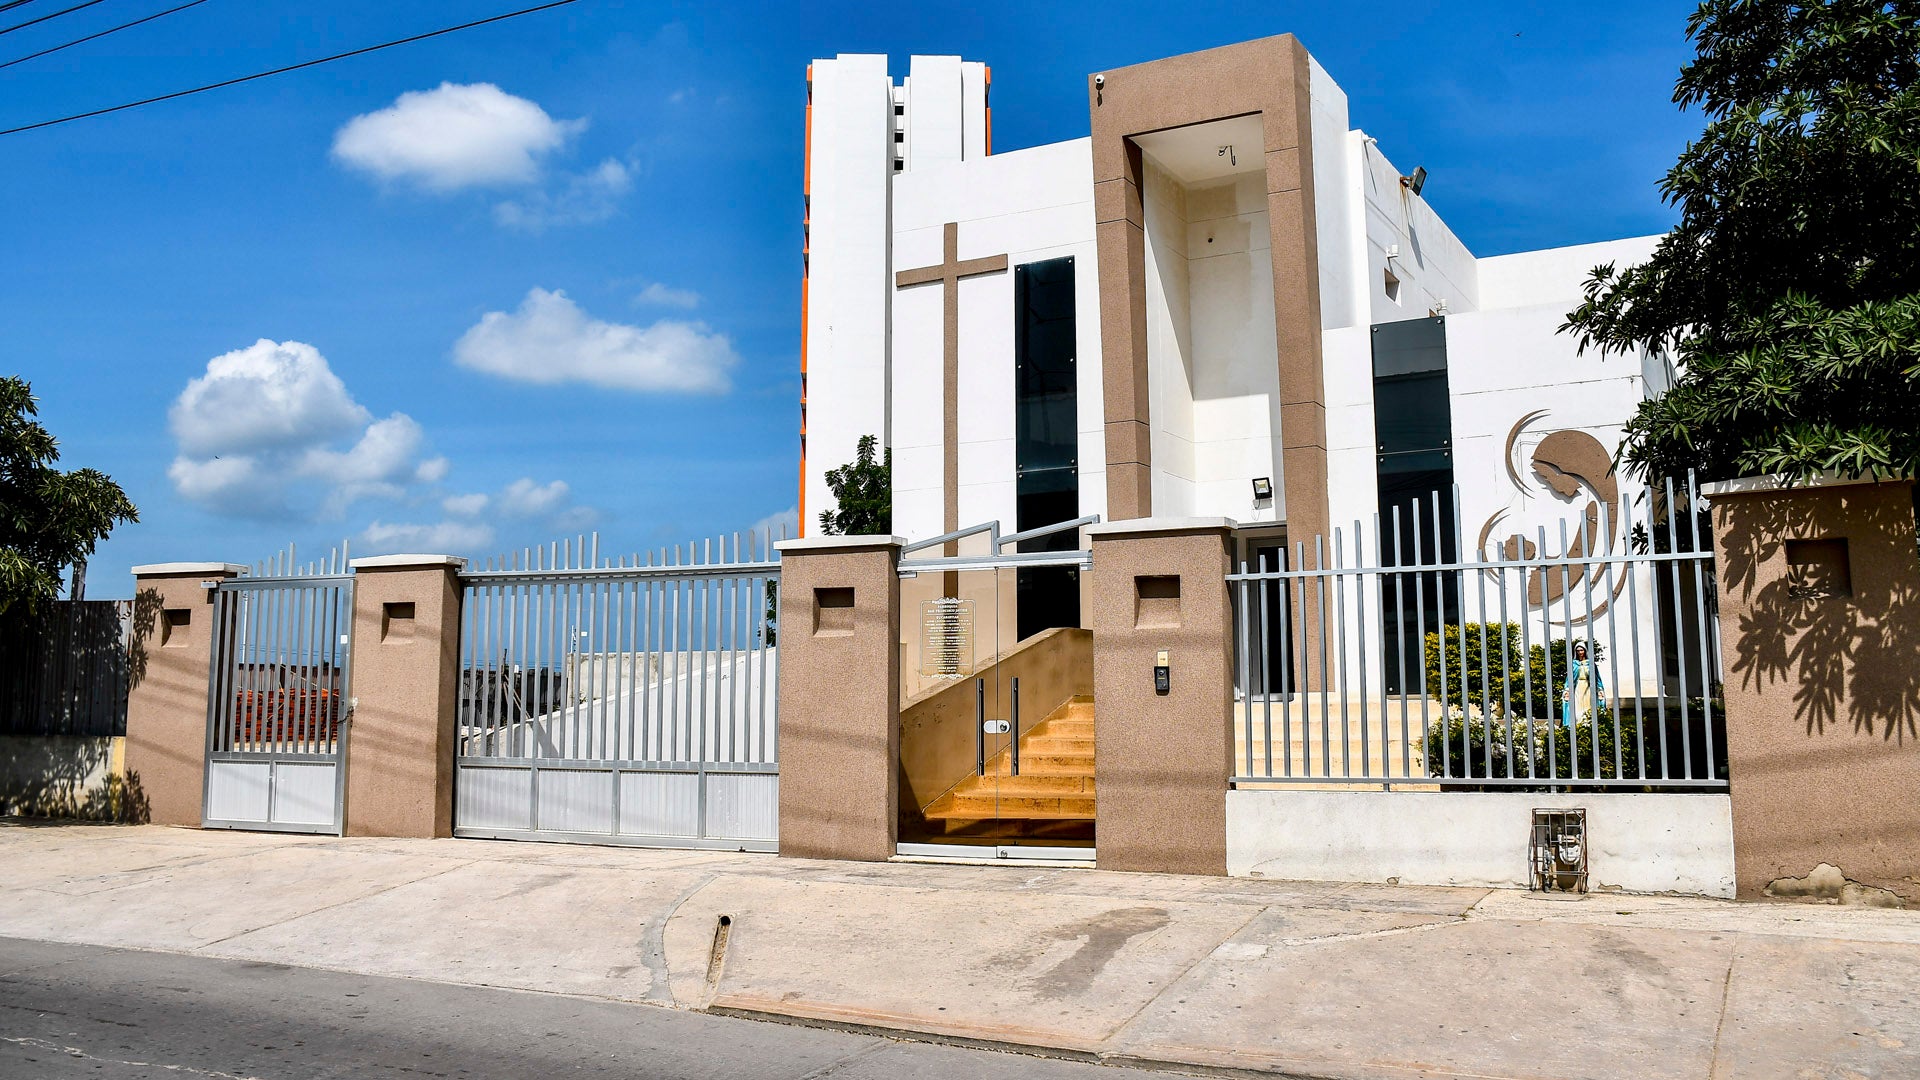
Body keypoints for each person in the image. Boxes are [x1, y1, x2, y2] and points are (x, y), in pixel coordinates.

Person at [1561, 642, 1602, 727]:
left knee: (1588, 706)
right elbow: (1569, 678)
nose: (1580, 652)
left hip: (1588, 688)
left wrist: (1599, 688)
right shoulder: (1573, 664)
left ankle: (1587, 724)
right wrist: (1567, 689)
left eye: (1581, 650)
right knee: (1577, 707)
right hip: (1577, 687)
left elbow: (1597, 677)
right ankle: (1578, 725)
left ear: (1585, 651)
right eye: (1578, 650)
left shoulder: (1590, 664)